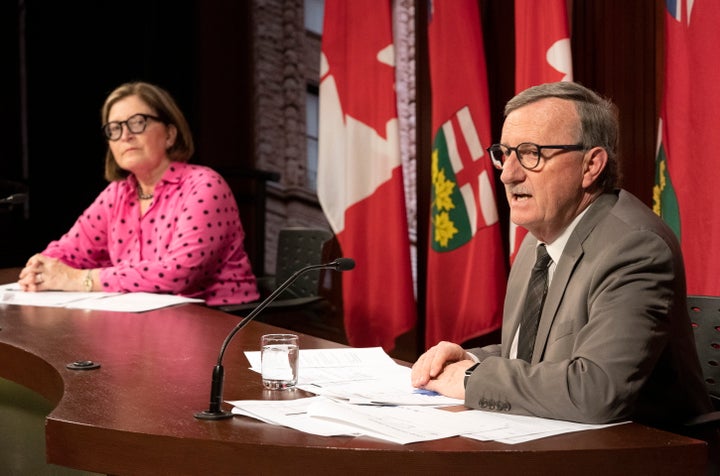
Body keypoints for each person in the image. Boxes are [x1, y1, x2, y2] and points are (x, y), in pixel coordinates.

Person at [411, 82, 714, 436]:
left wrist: (471, 379)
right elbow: (537, 356)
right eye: (505, 153)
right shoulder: (537, 241)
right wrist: (471, 359)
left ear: (591, 165)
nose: (509, 174)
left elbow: (596, 390)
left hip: (649, 452)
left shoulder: (634, 248)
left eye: (530, 153)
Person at [17, 81, 259, 307]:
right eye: (115, 128)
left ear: (170, 134)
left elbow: (177, 275)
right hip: (147, 322)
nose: (125, 135)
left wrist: (80, 280)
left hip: (220, 323)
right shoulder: (117, 194)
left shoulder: (205, 186)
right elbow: (70, 251)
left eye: (137, 122)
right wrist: (41, 268)